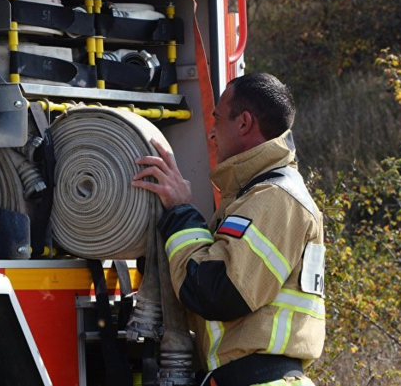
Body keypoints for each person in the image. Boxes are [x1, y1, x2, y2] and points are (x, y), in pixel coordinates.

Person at [132, 73, 325, 386]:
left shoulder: (274, 199)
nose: (211, 133)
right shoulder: (253, 197)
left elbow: (216, 292)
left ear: (244, 123)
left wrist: (181, 213)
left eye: (217, 118)